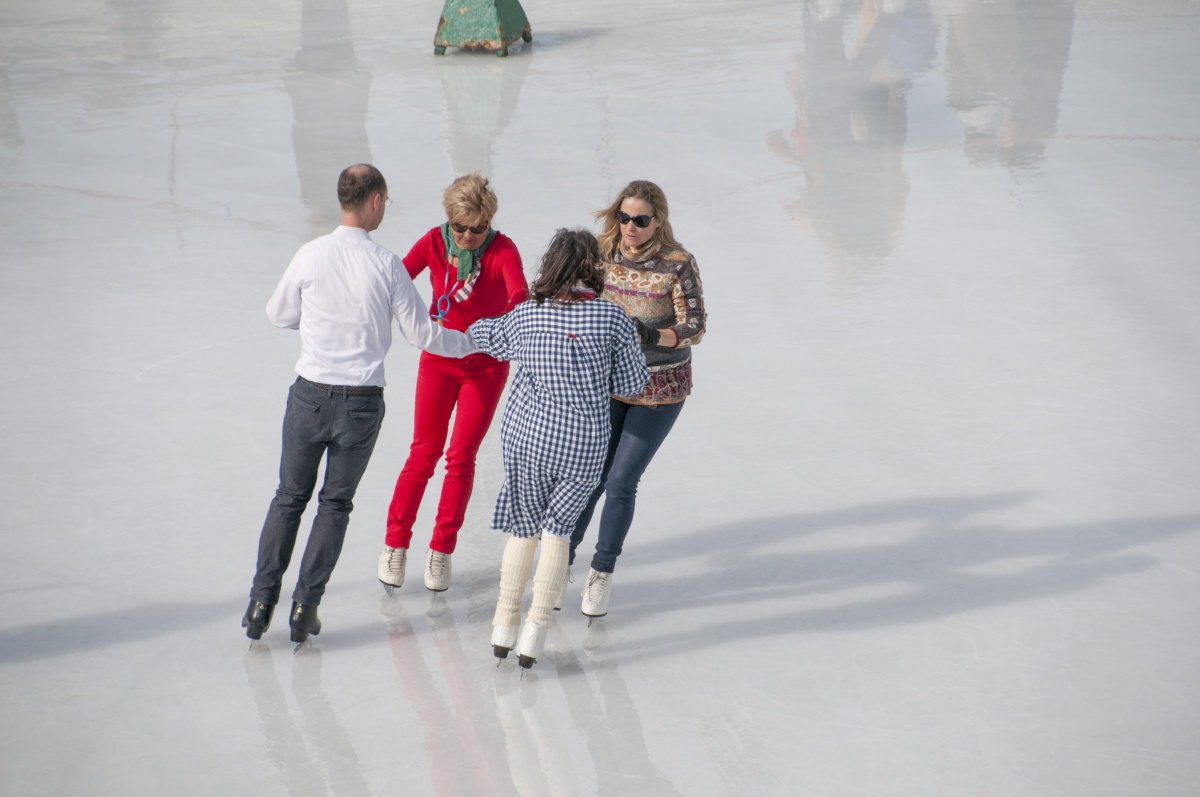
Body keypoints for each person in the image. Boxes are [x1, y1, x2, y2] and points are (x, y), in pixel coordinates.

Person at [243, 164, 477, 645]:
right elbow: (424, 335)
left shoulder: (310, 254)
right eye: (385, 201)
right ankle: (305, 607)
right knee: (334, 505)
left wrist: (319, 324)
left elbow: (278, 314)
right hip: (360, 405)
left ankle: (261, 603)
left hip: (309, 395)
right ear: (374, 201)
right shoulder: (387, 265)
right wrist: (476, 342)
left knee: (289, 498)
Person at [468, 229, 648, 668]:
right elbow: (632, 384)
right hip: (582, 444)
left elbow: (482, 334)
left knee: (524, 529)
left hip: (528, 439)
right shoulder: (613, 318)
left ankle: (503, 625)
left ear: (550, 264)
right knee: (558, 532)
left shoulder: (527, 314)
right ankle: (535, 631)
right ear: (593, 267)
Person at [377, 173, 528, 594]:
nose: (467, 236)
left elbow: (518, 291)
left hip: (485, 367)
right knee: (424, 452)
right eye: (459, 227)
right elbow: (396, 281)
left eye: (477, 228)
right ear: (449, 219)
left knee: (460, 458)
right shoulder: (433, 241)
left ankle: (441, 550)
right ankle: (395, 543)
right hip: (439, 361)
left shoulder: (502, 249)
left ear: (488, 222)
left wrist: (521, 315)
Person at [567, 180, 706, 618]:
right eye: (624, 217)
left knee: (621, 480)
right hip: (608, 383)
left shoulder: (678, 263)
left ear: (658, 221)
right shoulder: (602, 255)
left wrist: (652, 335)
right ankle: (560, 562)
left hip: (659, 387)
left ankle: (601, 572)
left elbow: (695, 326)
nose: (630, 226)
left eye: (640, 220)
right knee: (590, 475)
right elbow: (578, 300)